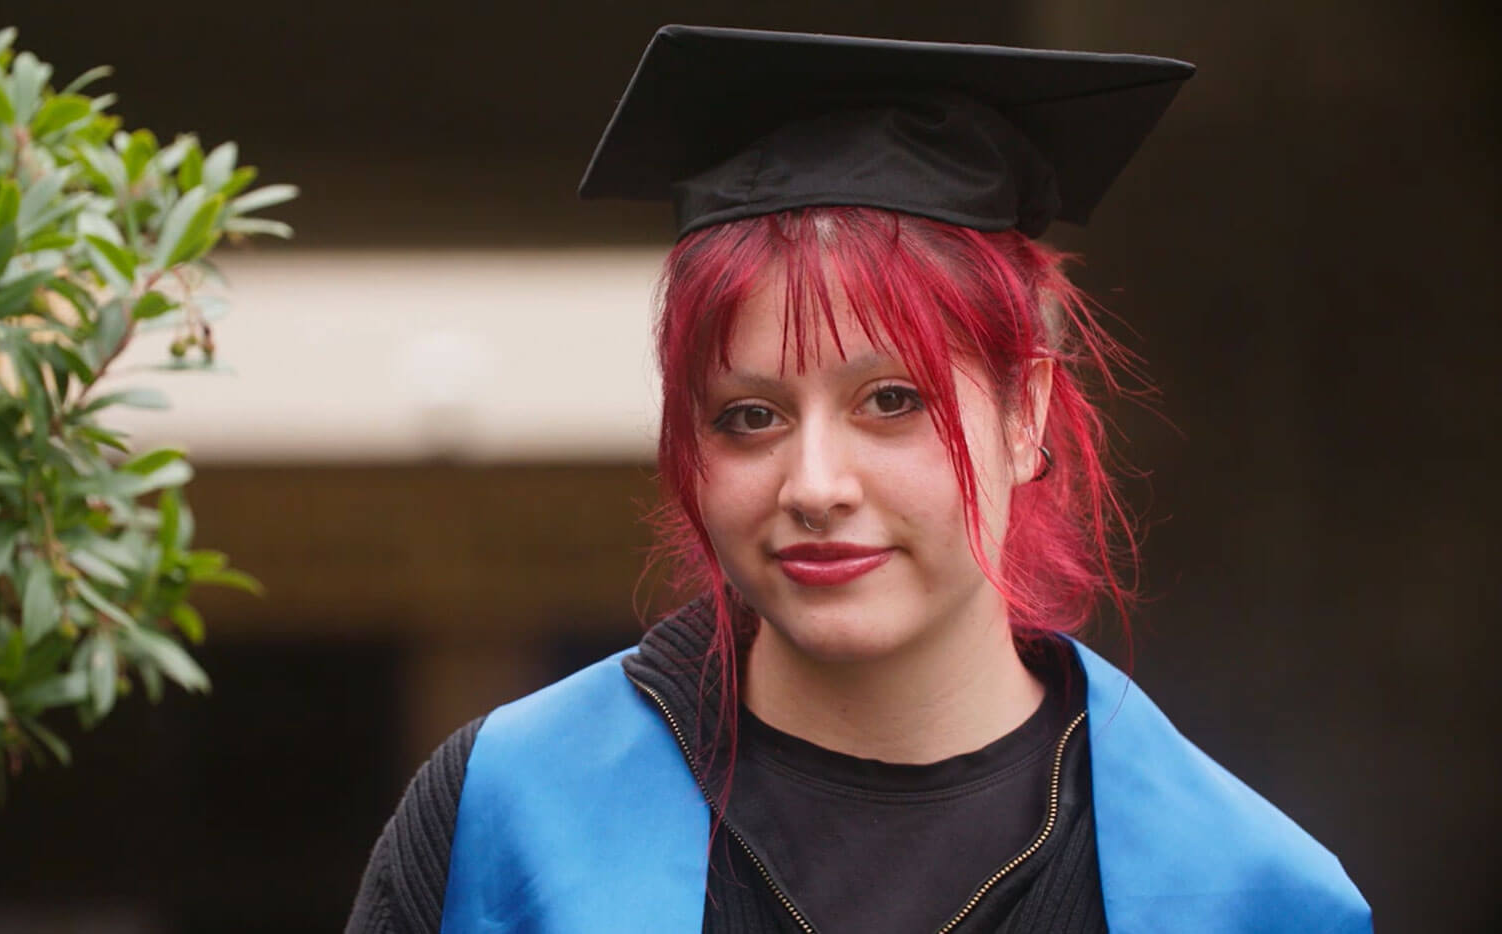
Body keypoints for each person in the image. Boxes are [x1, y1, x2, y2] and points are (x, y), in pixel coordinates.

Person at [346, 25, 1371, 934]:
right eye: (749, 417)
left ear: (1028, 415)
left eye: (893, 400)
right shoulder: (507, 819)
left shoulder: (1244, 892)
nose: (816, 483)